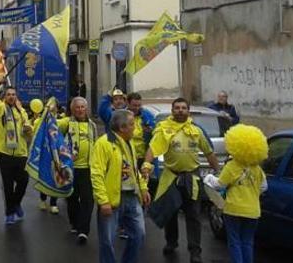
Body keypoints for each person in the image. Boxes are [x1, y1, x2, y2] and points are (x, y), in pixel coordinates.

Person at [144, 98, 220, 263]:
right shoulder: (164, 129)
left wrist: (218, 172)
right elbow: (152, 148)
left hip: (192, 178)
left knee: (193, 215)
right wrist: (146, 163)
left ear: (188, 111)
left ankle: (195, 252)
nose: (180, 110)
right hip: (171, 177)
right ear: (172, 110)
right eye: (177, 108)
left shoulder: (196, 131)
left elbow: (209, 153)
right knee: (170, 212)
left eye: (183, 108)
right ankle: (171, 242)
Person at [91, 109, 150, 263]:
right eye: (132, 125)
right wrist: (103, 201)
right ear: (122, 128)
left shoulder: (129, 142)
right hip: (111, 200)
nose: (135, 128)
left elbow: (133, 168)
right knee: (107, 242)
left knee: (139, 235)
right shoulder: (103, 143)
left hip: (132, 197)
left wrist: (143, 188)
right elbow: (96, 174)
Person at [0, 84, 33, 224]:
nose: (11, 97)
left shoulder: (22, 111)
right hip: (6, 153)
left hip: (21, 154)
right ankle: (9, 213)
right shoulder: (1, 109)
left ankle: (16, 204)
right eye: (8, 94)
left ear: (16, 97)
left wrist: (28, 129)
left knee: (23, 182)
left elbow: (28, 129)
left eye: (13, 94)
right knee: (8, 186)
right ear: (5, 96)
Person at [58, 96, 97, 244]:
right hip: (70, 168)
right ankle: (74, 223)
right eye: (77, 107)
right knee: (72, 198)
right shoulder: (66, 123)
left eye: (82, 107)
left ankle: (83, 230)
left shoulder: (92, 125)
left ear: (86, 109)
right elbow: (51, 128)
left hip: (88, 168)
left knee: (88, 200)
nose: (80, 110)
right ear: (72, 109)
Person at [126, 93, 155, 169]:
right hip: (126, 157)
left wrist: (150, 130)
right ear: (128, 104)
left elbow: (154, 135)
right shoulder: (122, 116)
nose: (137, 108)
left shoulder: (147, 116)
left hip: (143, 157)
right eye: (134, 105)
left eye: (139, 105)